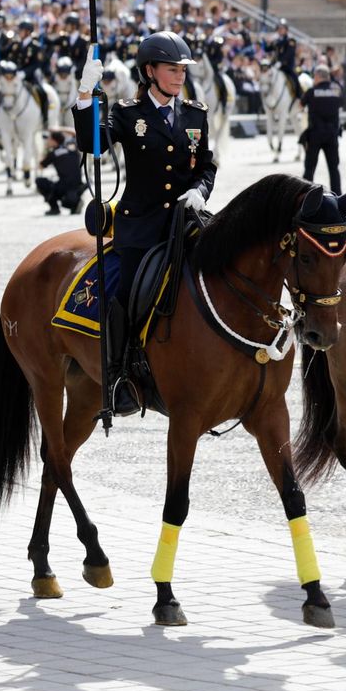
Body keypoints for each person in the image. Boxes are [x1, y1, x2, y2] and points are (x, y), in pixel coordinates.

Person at [73, 32, 217, 417]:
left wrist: (201, 190)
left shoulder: (195, 114)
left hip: (185, 221)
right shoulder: (127, 113)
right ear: (150, 71)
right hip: (141, 228)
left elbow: (206, 165)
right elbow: (94, 145)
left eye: (183, 70)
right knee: (127, 295)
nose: (179, 76)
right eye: (172, 70)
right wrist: (86, 97)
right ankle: (119, 374)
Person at [300, 63, 343, 194]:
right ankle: (337, 196)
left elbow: (300, 105)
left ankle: (305, 196)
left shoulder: (311, 92)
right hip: (332, 134)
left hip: (315, 135)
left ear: (317, 77)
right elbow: (342, 103)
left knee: (309, 169)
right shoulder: (336, 91)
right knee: (334, 168)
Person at [35, 128, 84, 215]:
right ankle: (75, 202)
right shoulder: (72, 148)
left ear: (54, 141)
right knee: (66, 188)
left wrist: (45, 150)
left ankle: (54, 208)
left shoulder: (54, 154)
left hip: (64, 186)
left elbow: (40, 166)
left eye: (49, 139)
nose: (47, 141)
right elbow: (75, 133)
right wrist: (60, 129)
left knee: (40, 182)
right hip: (78, 184)